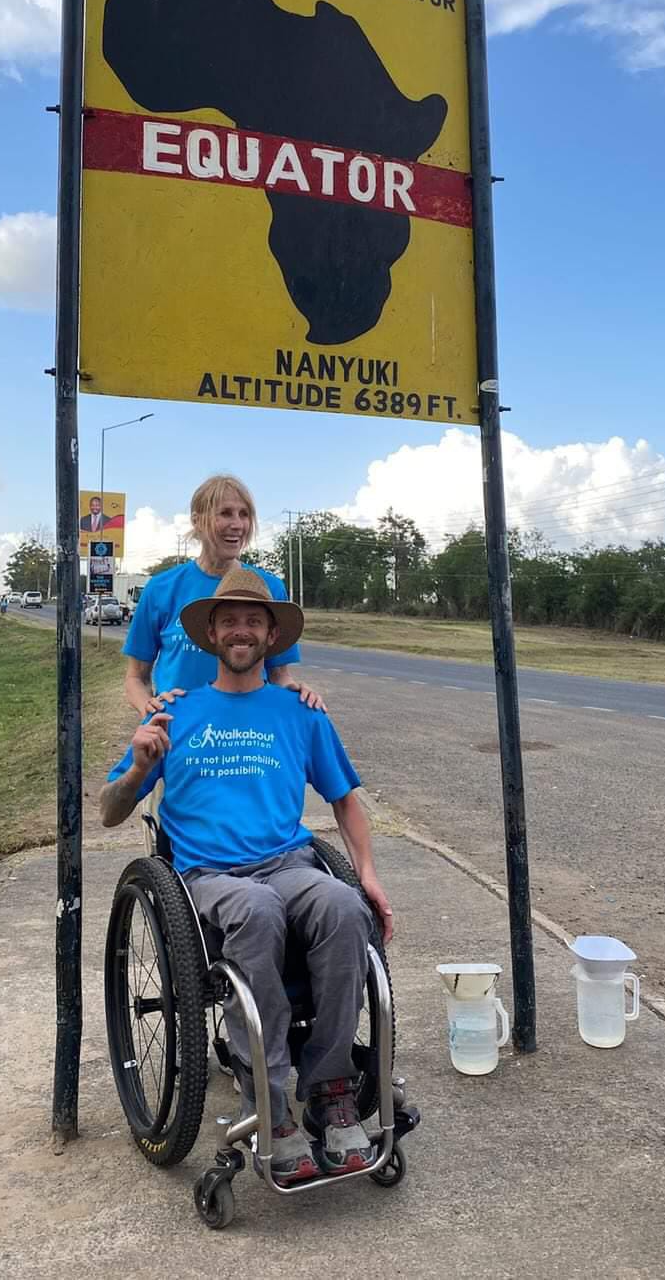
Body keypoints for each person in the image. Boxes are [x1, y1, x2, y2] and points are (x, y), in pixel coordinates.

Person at [102, 567, 393, 1184]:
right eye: (229, 621)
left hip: (287, 863)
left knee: (345, 908)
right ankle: (268, 1096)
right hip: (208, 875)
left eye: (253, 621)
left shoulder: (300, 712)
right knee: (257, 913)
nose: (241, 630)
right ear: (211, 634)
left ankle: (332, 1090)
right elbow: (109, 811)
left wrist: (367, 876)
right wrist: (139, 769)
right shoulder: (174, 712)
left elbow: (345, 802)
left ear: (271, 635)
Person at [123, 474, 321, 716]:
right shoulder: (161, 588)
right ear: (197, 520)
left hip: (248, 728)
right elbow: (136, 677)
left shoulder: (269, 588)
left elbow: (279, 675)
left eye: (244, 514)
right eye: (225, 513)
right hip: (178, 728)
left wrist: (296, 694)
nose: (237, 524)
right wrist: (149, 710)